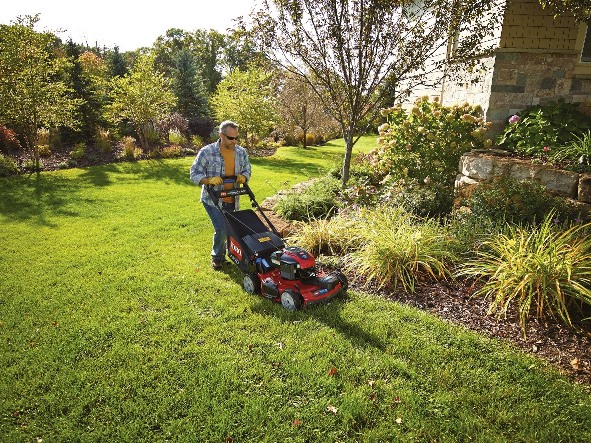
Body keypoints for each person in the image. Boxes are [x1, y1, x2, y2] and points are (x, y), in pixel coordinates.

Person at [190, 120, 251, 270]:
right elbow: (194, 173)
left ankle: (232, 253)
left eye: (237, 138)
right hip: (212, 199)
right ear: (221, 135)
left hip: (233, 197)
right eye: (231, 138)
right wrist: (208, 180)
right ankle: (217, 257)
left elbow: (247, 169)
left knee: (231, 228)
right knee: (222, 229)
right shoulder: (207, 152)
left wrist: (244, 176)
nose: (234, 141)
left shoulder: (241, 152)